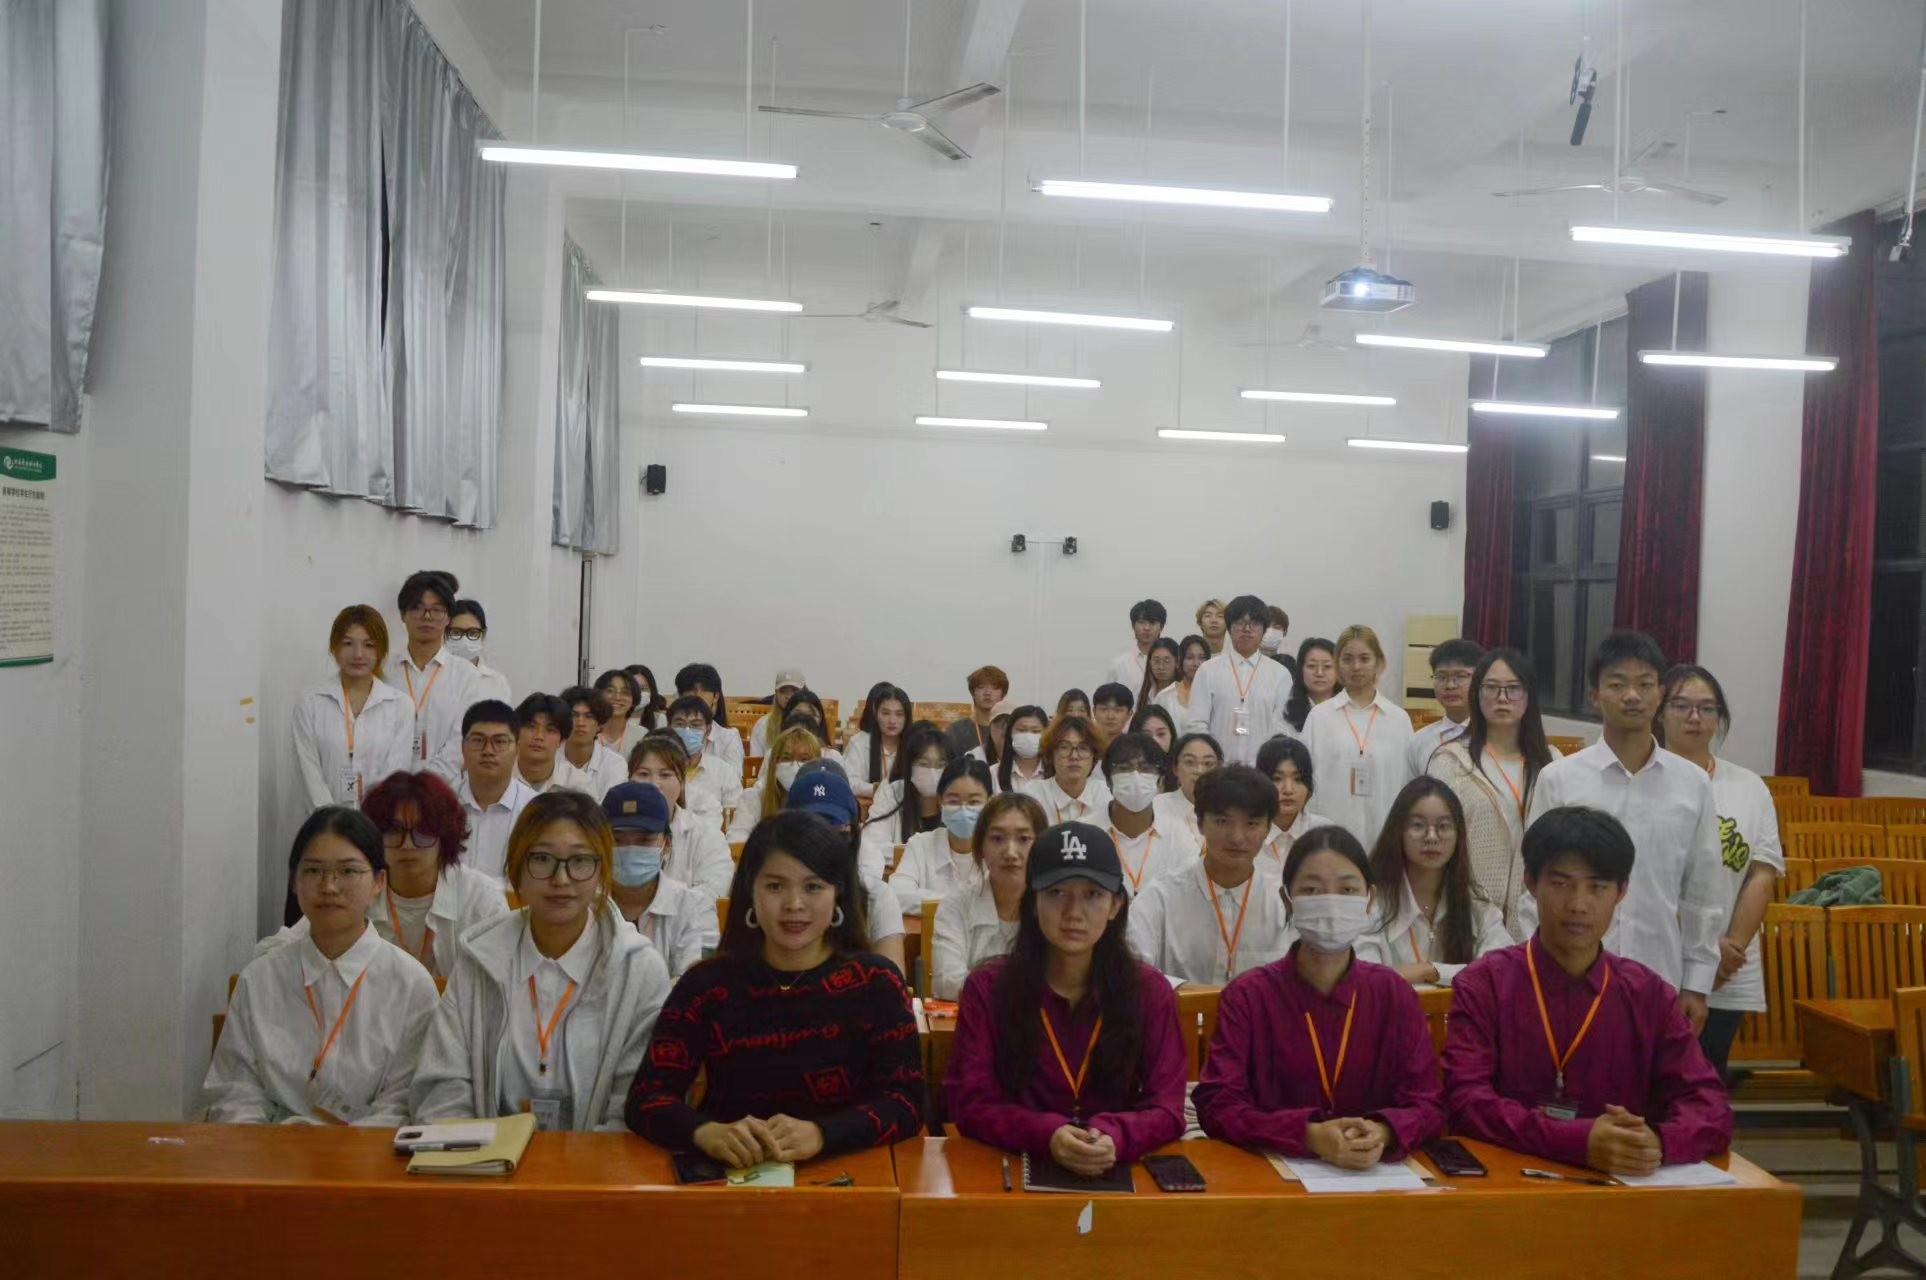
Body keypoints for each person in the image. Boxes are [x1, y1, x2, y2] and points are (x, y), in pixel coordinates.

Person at [1443, 807, 1734, 1174]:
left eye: (1597, 887)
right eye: (1561, 884)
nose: (1578, 905)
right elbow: (1465, 1102)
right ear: (1531, 883)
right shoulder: (1484, 984)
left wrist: (1655, 1142)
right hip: (1509, 1187)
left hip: (1622, 1188)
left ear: (1621, 891)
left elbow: (1710, 1106)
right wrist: (1577, 1140)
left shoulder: (1648, 995)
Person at [625, 811, 925, 1167]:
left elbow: (907, 1104)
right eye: (775, 886)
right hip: (730, 1176)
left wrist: (823, 1134)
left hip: (848, 1175)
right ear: (750, 891)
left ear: (838, 894)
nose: (794, 904)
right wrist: (703, 1131)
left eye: (813, 887)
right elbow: (646, 1098)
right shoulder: (706, 985)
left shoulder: (876, 983)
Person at [412, 792, 672, 1131]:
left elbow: (635, 1108)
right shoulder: (480, 959)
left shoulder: (638, 970)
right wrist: (480, 1154)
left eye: (580, 860)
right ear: (516, 871)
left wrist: (579, 1162)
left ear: (602, 872)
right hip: (487, 1159)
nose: (561, 879)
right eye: (541, 859)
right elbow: (443, 1089)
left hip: (598, 1161)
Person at [1195, 826, 1445, 1165]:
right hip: (1272, 1175)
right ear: (1287, 899)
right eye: (1312, 890)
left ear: (1369, 899)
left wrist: (1384, 1132)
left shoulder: (1394, 995)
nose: (1331, 903)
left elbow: (1428, 1104)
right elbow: (1217, 1105)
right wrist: (1308, 1135)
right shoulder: (1248, 997)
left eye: (1347, 890)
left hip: (1378, 1176)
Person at [946, 822, 1188, 1171]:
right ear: (1032, 902)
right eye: (1057, 892)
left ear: (1116, 905)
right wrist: (1046, 1134)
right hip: (1014, 1164)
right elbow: (969, 1102)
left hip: (1116, 1164)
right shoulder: (988, 988)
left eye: (1093, 895)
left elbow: (1168, 1107)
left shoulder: (1148, 990)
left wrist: (1115, 1135)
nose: (1074, 913)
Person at [1524, 632, 1723, 1033]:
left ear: (1660, 694)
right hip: (1568, 976)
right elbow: (1534, 886)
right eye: (1617, 684)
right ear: (1595, 696)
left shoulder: (1693, 784)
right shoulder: (1559, 779)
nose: (1632, 695)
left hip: (1660, 976)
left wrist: (1697, 984)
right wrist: (1538, 972)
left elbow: (1702, 892)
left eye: (1645, 684)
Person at [205, 807, 440, 1125]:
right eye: (314, 871)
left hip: (371, 1153)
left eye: (348, 871)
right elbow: (236, 1095)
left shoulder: (411, 985)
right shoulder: (259, 980)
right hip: (271, 1150)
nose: (329, 886)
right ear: (294, 881)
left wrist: (337, 1149)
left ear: (378, 881)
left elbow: (402, 1106)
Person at [1656, 665, 1785, 1078]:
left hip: (1728, 969)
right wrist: (1700, 948)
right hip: (1658, 958)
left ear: (1719, 717)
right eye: (1681, 706)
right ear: (1660, 712)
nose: (1694, 717)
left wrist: (1728, 949)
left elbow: (1761, 873)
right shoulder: (1645, 779)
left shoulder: (1749, 787)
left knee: (1707, 1081)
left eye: (1707, 708)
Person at [1426, 648, 1561, 936]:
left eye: (1513, 688)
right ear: (1477, 694)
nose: (1502, 697)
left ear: (1529, 696)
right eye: (1491, 687)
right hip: (1468, 913)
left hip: (1535, 915)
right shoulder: (1450, 762)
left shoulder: (1552, 764)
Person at [1128, 765, 1295, 987]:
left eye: (1251, 824)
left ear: (1267, 829)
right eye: (1222, 822)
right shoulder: (1159, 898)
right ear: (1200, 824)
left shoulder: (1282, 905)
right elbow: (1136, 974)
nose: (1236, 837)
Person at [1358, 777, 1510, 986]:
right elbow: (1365, 981)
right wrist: (1455, 974)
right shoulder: (1372, 903)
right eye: (1418, 825)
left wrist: (1430, 970)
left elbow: (1502, 972)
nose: (1431, 837)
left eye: (1443, 826)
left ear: (1458, 835)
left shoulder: (1475, 903)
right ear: (1397, 832)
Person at [786, 763, 909, 976]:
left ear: (852, 833)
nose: (820, 841)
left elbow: (893, 983)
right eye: (809, 828)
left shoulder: (876, 896)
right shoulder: (773, 895)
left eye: (833, 829)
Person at [292, 605, 413, 811]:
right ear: (334, 648)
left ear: (381, 651)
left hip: (377, 824)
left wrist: (368, 823)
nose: (358, 654)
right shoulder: (310, 702)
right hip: (323, 823)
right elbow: (309, 773)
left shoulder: (400, 705)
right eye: (348, 644)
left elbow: (395, 777)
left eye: (369, 645)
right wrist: (331, 822)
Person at [929, 792, 1047, 1000]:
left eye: (1023, 839)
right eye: (997, 838)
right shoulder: (957, 904)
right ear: (980, 846)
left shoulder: (1054, 905)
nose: (1010, 853)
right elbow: (947, 983)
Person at [1303, 624, 1414, 844]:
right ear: (1337, 664)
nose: (1356, 667)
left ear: (1378, 662)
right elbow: (1305, 781)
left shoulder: (1398, 719)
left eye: (1364, 659)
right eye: (1347, 659)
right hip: (1330, 838)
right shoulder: (1319, 717)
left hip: (1385, 838)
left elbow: (1410, 785)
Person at [603, 782, 712, 980]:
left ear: (667, 844)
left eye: (644, 840)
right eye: (617, 840)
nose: (630, 850)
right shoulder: (586, 905)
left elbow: (690, 985)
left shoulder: (690, 906)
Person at [386, 569, 479, 781]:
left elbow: (461, 740)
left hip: (446, 791)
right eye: (417, 608)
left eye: (436, 610)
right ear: (402, 615)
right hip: (390, 790)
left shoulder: (466, 676)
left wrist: (425, 785)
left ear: (448, 618)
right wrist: (396, 786)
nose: (426, 617)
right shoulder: (384, 671)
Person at [1185, 595, 1296, 766]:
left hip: (1262, 771)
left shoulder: (1280, 674)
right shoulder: (1207, 670)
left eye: (1254, 624)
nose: (1247, 629)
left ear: (1264, 630)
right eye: (1239, 623)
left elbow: (1283, 727)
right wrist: (1211, 762)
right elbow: (1197, 724)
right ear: (1229, 628)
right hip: (1218, 770)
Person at [626, 734, 735, 899]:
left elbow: (715, 890)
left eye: (665, 775)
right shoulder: (613, 830)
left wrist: (656, 904)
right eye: (643, 774)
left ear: (682, 781)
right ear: (629, 779)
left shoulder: (706, 835)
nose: (654, 784)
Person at [889, 757, 994, 913]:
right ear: (940, 801)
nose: (963, 810)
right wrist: (960, 904)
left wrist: (937, 903)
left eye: (974, 802)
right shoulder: (920, 845)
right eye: (953, 801)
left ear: (990, 802)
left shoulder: (1000, 850)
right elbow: (898, 894)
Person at [1099, 732, 1200, 893]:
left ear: (1161, 782)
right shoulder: (1084, 832)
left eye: (1146, 769)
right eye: (1124, 768)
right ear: (1108, 781)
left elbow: (1193, 890)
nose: (1135, 777)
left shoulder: (1179, 836)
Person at [860, 722, 954, 879]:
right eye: (924, 764)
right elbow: (871, 843)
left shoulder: (958, 799)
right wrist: (919, 856)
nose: (932, 772)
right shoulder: (893, 792)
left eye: (940, 765)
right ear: (909, 766)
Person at [456, 700, 536, 879]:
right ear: (462, 748)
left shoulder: (535, 811)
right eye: (478, 740)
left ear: (517, 749)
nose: (488, 751)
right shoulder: (439, 806)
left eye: (499, 741)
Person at [728, 724, 828, 843]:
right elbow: (736, 841)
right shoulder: (753, 799)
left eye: (804, 759)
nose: (794, 766)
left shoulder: (825, 801)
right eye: (786, 758)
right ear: (774, 763)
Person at [1406, 638, 1485, 777]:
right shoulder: (1420, 741)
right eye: (1441, 677)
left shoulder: (1494, 736)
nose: (1450, 685)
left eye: (1460, 676)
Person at [1018, 716, 1113, 825]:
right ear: (1051, 755)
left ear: (1094, 756)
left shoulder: (1104, 794)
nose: (1074, 756)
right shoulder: (1033, 795)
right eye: (1064, 747)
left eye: (1083, 748)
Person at [666, 694, 743, 828]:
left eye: (695, 725)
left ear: (708, 731)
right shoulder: (656, 770)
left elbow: (734, 818)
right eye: (680, 724)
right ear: (669, 728)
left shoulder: (723, 771)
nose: (687, 731)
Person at [1257, 735, 1333, 865]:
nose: (1288, 790)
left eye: (1298, 779)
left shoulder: (1325, 833)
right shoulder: (1248, 834)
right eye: (1277, 778)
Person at [514, 692, 596, 796]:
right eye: (531, 727)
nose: (539, 736)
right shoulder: (499, 776)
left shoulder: (579, 785)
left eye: (550, 730)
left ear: (561, 741)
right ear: (516, 732)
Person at [673, 663, 743, 774]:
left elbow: (733, 778)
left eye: (703, 690)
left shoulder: (728, 737)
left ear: (715, 697)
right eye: (690, 690)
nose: (696, 696)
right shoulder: (669, 733)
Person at [1153, 732, 1222, 841]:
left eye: (1208, 763)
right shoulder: (1158, 806)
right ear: (1175, 768)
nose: (1199, 771)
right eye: (1190, 762)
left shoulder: (1228, 808)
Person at [560, 685, 626, 799]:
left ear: (600, 725)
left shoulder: (614, 763)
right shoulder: (550, 756)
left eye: (589, 716)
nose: (580, 723)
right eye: (574, 715)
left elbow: (609, 805)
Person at [846, 683, 910, 799]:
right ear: (876, 713)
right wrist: (876, 788)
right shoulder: (860, 743)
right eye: (885, 713)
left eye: (899, 714)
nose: (892, 720)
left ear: (907, 717)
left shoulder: (914, 745)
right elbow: (849, 782)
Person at [446, 599, 512, 706]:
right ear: (445, 634)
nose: (464, 640)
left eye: (472, 633)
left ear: (483, 635)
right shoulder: (433, 678)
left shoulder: (496, 683)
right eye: (456, 632)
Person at [945, 665, 1012, 757]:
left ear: (1003, 694)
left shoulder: (1011, 729)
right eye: (981, 687)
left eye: (995, 687)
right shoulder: (956, 730)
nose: (987, 693)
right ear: (973, 692)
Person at [1103, 598, 1167, 692]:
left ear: (1161, 627)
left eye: (1152, 623)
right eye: (1141, 622)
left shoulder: (1173, 664)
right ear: (1133, 626)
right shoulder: (1119, 665)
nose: (1147, 628)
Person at [747, 668, 808, 759]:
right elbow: (756, 761)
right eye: (783, 691)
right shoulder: (763, 724)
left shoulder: (811, 722)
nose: (788, 696)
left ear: (804, 692)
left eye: (794, 691)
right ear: (776, 693)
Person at [1153, 635, 1212, 724]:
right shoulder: (1165, 697)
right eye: (1189, 657)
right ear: (1180, 661)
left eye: (1201, 658)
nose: (1196, 663)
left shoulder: (1215, 696)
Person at [1283, 637, 1338, 733]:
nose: (1319, 673)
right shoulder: (1285, 712)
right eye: (1312, 666)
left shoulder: (1350, 710)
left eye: (1327, 666)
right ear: (1301, 670)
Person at [996, 705, 1050, 794]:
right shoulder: (993, 774)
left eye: (1035, 731)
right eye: (1021, 730)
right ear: (1010, 733)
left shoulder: (1056, 774)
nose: (1028, 737)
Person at [593, 668, 644, 758]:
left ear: (634, 700)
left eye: (625, 692)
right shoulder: (586, 732)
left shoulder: (641, 735)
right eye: (610, 691)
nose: (617, 697)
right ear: (598, 695)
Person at [1137, 638, 1183, 714]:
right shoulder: (1144, 691)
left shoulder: (1182, 692)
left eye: (1167, 661)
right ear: (1150, 662)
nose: (1161, 667)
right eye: (1156, 661)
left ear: (1177, 663)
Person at [625, 664, 667, 734]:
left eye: (643, 689)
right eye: (633, 688)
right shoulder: (613, 719)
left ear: (651, 691)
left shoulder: (659, 719)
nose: (638, 693)